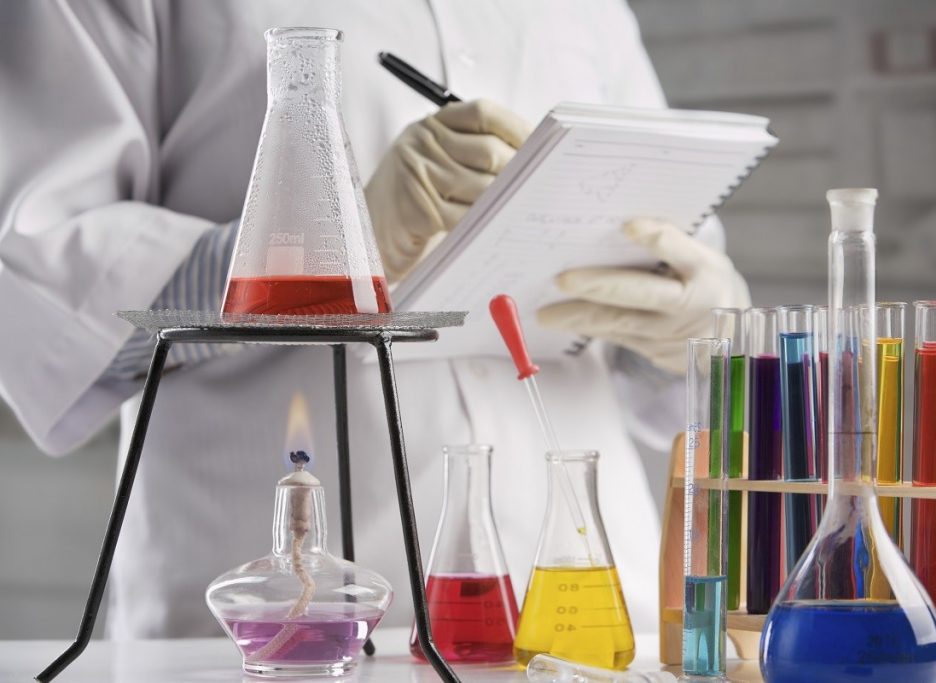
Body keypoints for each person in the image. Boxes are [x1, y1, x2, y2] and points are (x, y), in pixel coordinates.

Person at [0, 1, 749, 638]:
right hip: (281, 625)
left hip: (589, 615)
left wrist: (693, 331)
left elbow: (660, 283)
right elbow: (44, 303)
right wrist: (334, 248)